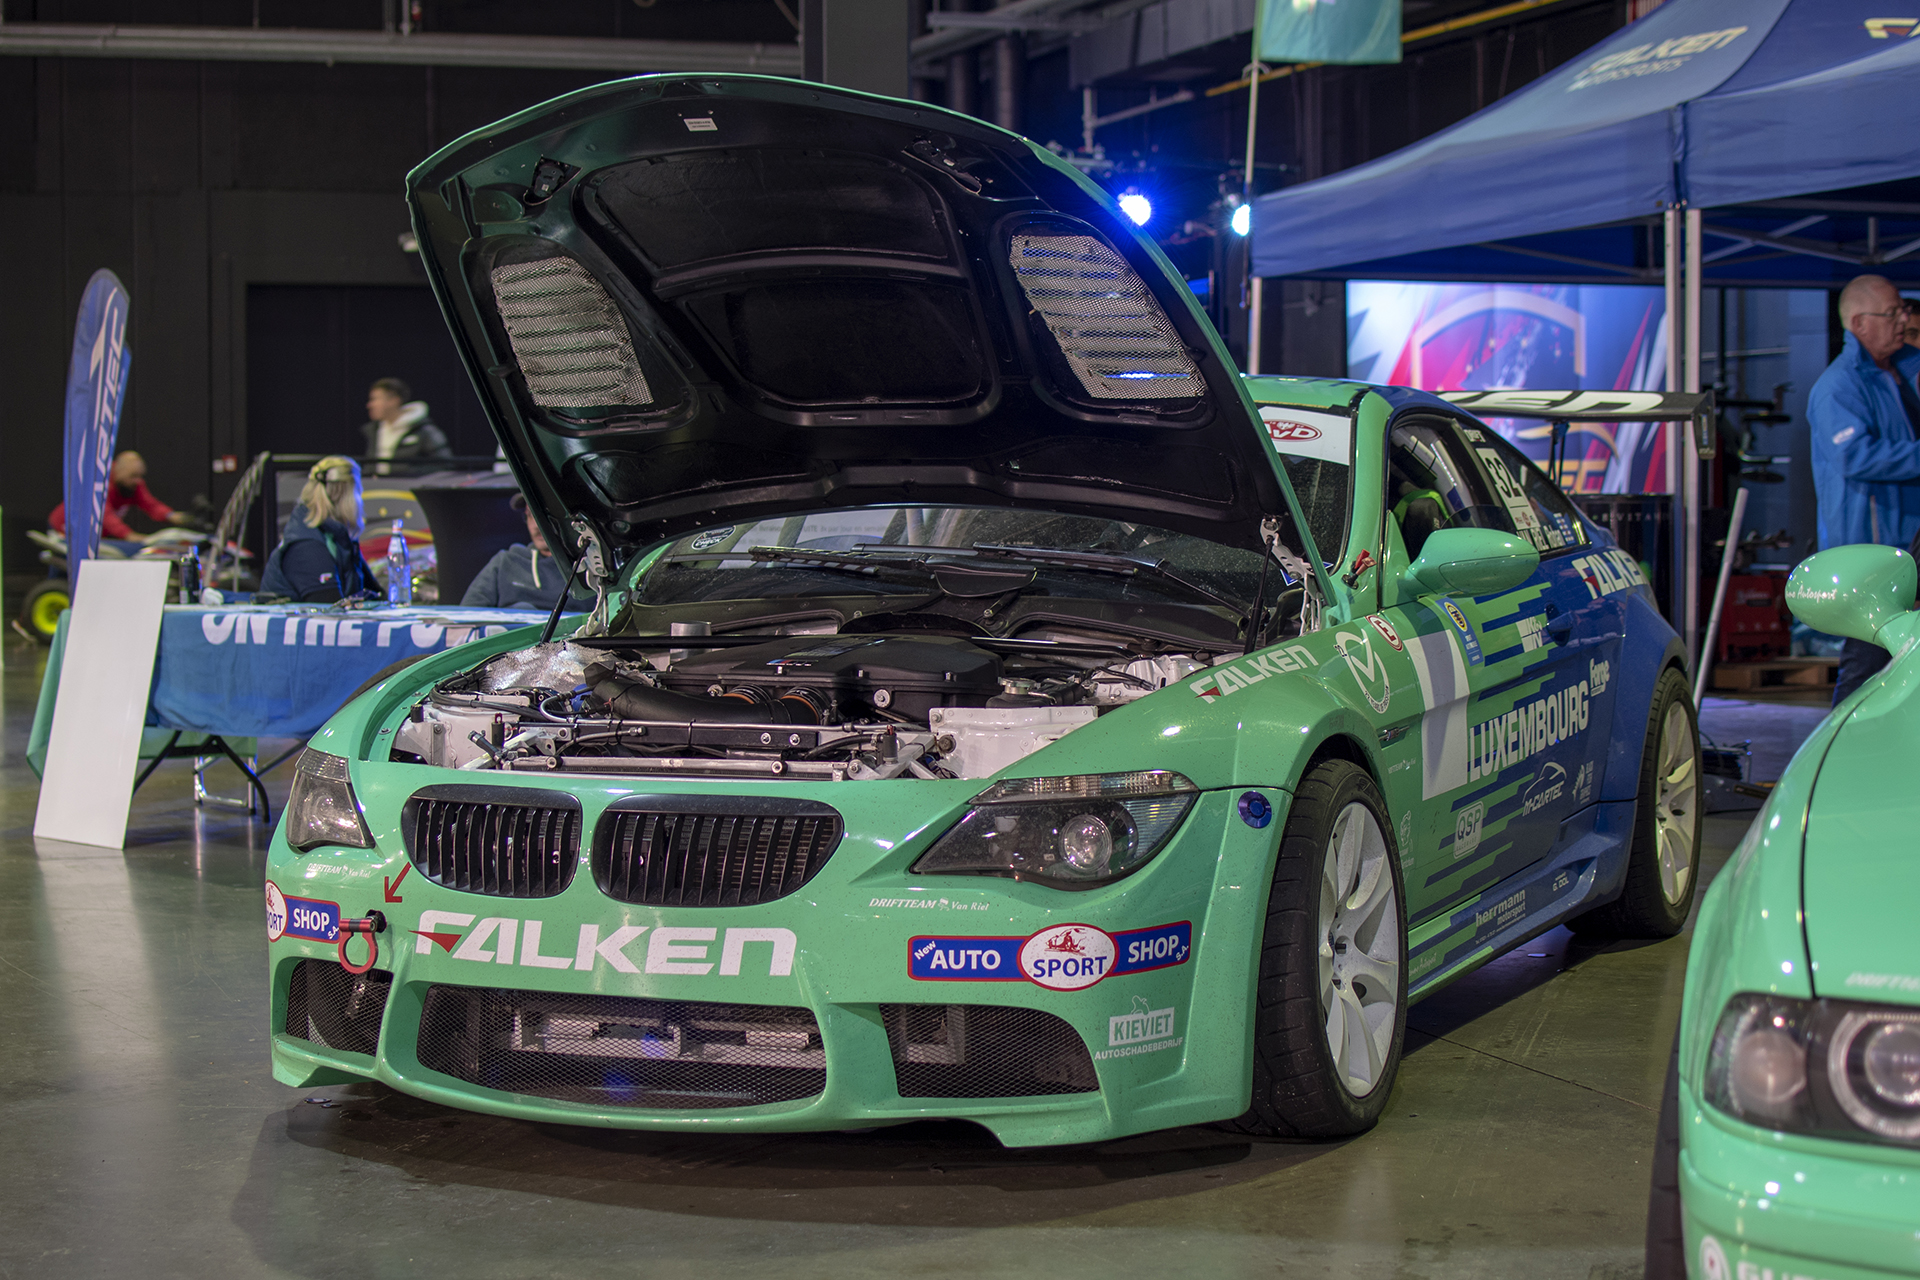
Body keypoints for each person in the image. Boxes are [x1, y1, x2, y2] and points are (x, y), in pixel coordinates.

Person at [1808, 274, 1920, 702]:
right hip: (1873, 555)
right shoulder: (1838, 387)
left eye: (1903, 311)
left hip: (1906, 544)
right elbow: (1855, 456)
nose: (1902, 321)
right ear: (1859, 323)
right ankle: (1837, 758)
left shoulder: (1901, 372)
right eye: (1892, 313)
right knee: (1867, 663)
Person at [258, 456, 379, 603]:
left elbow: (376, 596)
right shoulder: (307, 545)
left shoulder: (339, 539)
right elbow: (331, 614)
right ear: (348, 496)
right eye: (359, 491)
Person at [462, 493, 592, 611]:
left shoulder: (590, 567)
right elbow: (467, 616)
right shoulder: (506, 561)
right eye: (531, 516)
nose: (536, 526)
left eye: (543, 515)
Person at [48, 450, 191, 545]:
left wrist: (171, 515)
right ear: (119, 472)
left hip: (94, 537)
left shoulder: (134, 485)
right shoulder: (100, 485)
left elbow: (151, 504)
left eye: (140, 476)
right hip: (65, 528)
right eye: (133, 476)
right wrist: (129, 535)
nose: (138, 481)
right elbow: (106, 517)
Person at [359, 377, 450, 471]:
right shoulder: (373, 431)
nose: (370, 405)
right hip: (376, 486)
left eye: (375, 399)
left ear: (394, 400)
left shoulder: (424, 430)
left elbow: (444, 464)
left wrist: (410, 477)